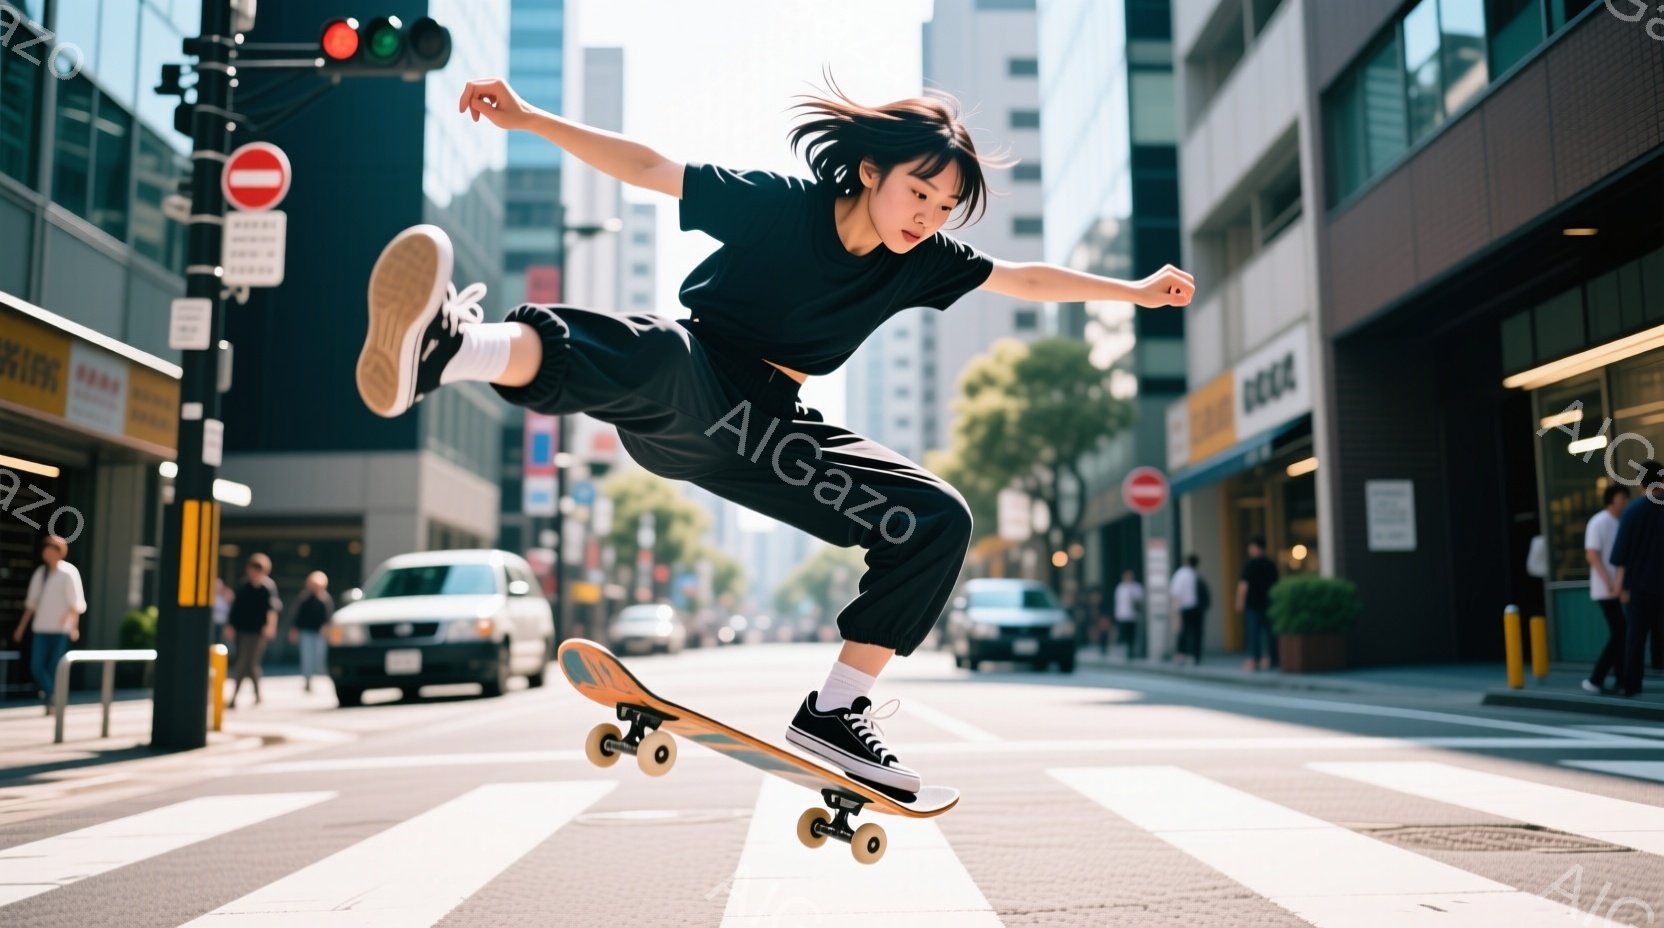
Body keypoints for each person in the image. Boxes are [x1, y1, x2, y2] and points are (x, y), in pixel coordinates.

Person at [350, 75, 1195, 793]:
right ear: (870, 170)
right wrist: (529, 119)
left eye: (944, 207)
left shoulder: (923, 260)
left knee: (937, 518)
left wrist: (1132, 291)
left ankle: (835, 713)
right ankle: (452, 350)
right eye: (917, 193)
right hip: (695, 382)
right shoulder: (781, 207)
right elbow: (649, 166)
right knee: (659, 351)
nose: (927, 218)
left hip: (767, 435)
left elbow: (1024, 277)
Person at [10, 535, 86, 712]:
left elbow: (76, 603)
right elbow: (31, 605)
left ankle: (52, 701)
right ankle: (53, 696)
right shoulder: (40, 574)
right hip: (41, 629)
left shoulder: (69, 573)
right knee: (36, 666)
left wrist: (74, 626)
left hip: (60, 630)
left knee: (54, 668)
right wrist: (21, 628)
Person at [1610, 462, 1664, 698]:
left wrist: (1619, 586)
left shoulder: (1632, 512)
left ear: (1640, 482)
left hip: (1638, 587)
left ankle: (1632, 685)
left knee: (1636, 637)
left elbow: (1621, 555)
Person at [1583, 484, 1630, 694]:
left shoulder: (1620, 522)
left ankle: (1618, 679)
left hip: (1617, 587)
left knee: (1621, 632)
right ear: (1612, 499)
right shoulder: (1599, 522)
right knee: (1621, 631)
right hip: (1606, 589)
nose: (1626, 502)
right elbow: (1592, 555)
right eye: (1623, 498)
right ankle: (1597, 678)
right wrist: (1610, 583)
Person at [227, 553, 281, 708]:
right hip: (243, 629)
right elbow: (235, 608)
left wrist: (270, 626)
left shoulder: (267, 587)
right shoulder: (242, 586)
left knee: (248, 663)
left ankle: (237, 697)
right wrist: (231, 625)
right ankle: (255, 695)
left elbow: (272, 609)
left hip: (258, 631)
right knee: (246, 662)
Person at [1238, 536, 1280, 672]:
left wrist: (1239, 601)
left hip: (1253, 604)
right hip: (1269, 603)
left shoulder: (1250, 564)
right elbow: (1276, 584)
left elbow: (1243, 585)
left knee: (1254, 633)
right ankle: (1272, 659)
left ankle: (1254, 660)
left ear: (1255, 547)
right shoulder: (1270, 564)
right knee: (1270, 633)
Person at [289, 571, 334, 693]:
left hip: (320, 632)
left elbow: (329, 616)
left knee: (319, 656)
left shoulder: (325, 598)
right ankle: (308, 680)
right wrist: (295, 629)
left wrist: (327, 629)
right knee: (307, 657)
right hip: (307, 631)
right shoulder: (304, 598)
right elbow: (298, 616)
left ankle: (321, 676)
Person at [1169, 556, 1201, 665]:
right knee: (1194, 632)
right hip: (1194, 606)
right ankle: (1194, 655)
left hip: (1183, 606)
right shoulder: (1195, 574)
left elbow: (1175, 591)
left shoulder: (1181, 574)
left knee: (1183, 631)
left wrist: (1174, 608)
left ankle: (1181, 654)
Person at [1111, 569, 1143, 661]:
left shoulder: (1136, 587)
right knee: (1124, 634)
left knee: (1132, 634)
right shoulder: (1120, 588)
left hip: (1133, 616)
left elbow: (1140, 601)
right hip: (1123, 615)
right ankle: (1125, 650)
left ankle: (1131, 650)